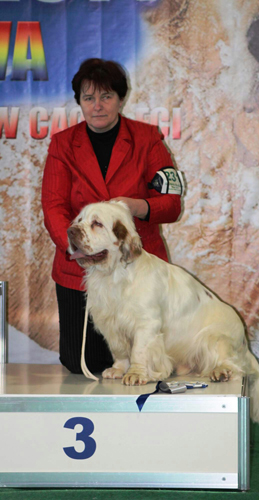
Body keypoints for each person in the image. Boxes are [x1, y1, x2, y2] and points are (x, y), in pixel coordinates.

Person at [42, 58, 182, 374]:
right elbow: (53, 207)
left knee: (146, 360)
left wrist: (139, 207)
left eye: (106, 97)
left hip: (137, 269)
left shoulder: (148, 139)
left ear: (121, 98)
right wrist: (76, 249)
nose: (98, 106)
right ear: (79, 101)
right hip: (79, 270)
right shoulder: (62, 145)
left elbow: (172, 204)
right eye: (89, 98)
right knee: (82, 363)